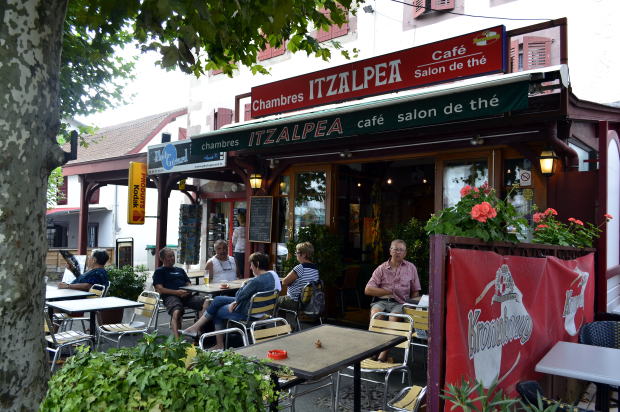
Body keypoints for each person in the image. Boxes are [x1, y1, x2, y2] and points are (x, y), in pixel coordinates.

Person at [181, 252, 281, 349]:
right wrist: (237, 300)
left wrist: (244, 285)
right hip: (262, 310)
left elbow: (238, 296)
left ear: (257, 264)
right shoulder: (273, 274)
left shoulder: (255, 281)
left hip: (249, 313)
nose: (251, 268)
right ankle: (195, 327)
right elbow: (277, 289)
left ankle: (219, 344)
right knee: (217, 299)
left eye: (251, 265)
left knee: (217, 311)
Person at [364, 239, 421, 361]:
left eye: (401, 250)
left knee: (393, 318)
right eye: (395, 249)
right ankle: (373, 351)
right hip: (382, 301)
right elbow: (368, 289)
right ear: (390, 251)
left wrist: (411, 306)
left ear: (405, 253)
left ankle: (382, 356)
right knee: (376, 315)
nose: (398, 252)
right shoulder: (381, 268)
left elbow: (415, 291)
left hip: (400, 303)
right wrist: (388, 292)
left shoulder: (411, 268)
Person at [153, 247, 209, 338]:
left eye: (173, 256)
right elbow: (160, 289)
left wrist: (189, 291)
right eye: (169, 256)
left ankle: (198, 331)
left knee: (206, 302)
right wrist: (177, 292)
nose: (172, 258)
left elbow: (188, 284)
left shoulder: (180, 270)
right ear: (162, 259)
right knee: (177, 311)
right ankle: (177, 340)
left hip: (185, 296)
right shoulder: (159, 271)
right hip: (170, 297)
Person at [278, 241, 319, 311]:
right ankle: (282, 318)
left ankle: (272, 318)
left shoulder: (300, 268)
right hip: (308, 303)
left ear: (304, 255)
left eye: (297, 252)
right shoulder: (315, 269)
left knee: (271, 301)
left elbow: (284, 282)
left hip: (294, 301)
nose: (296, 254)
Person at [232, 211, 246, 277]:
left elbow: (233, 241)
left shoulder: (237, 230)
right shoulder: (249, 229)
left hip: (238, 250)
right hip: (246, 251)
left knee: (239, 267)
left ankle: (240, 278)